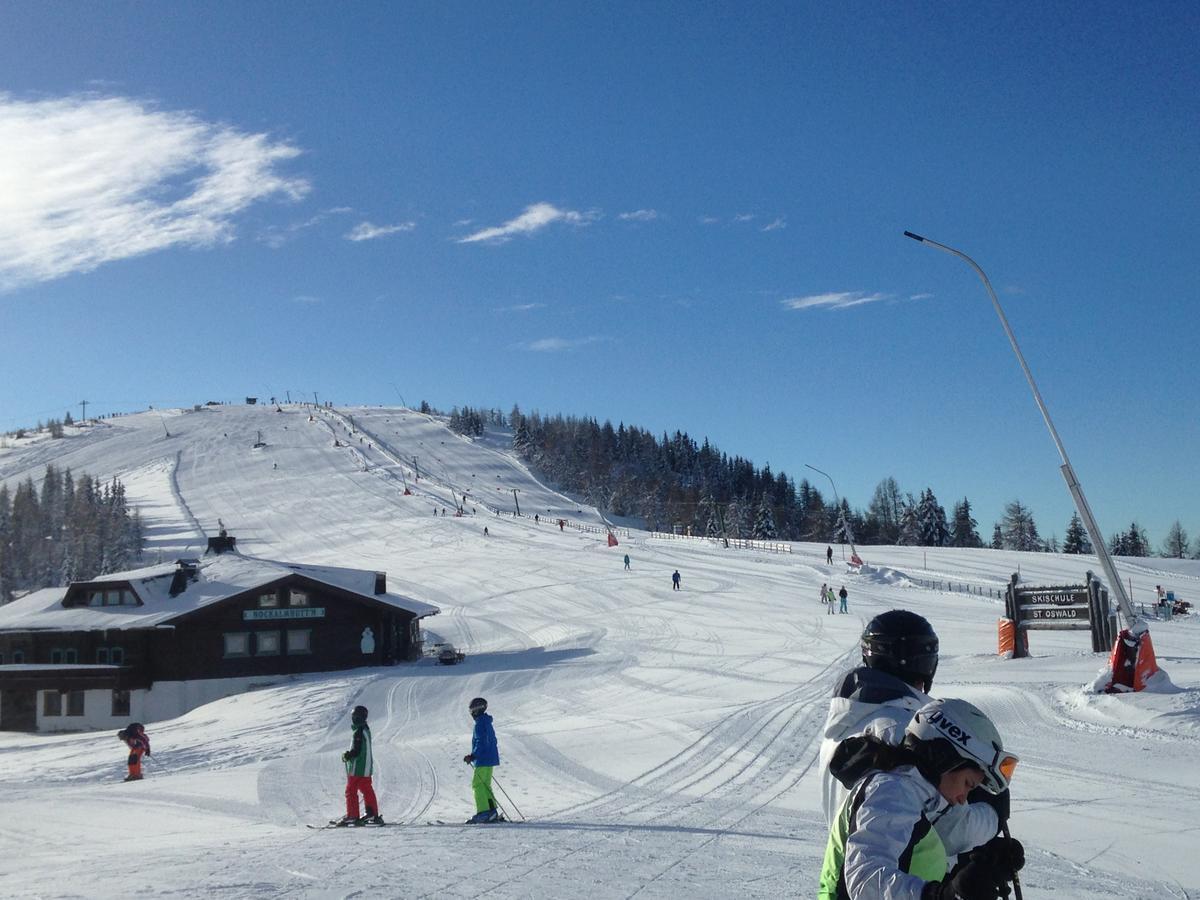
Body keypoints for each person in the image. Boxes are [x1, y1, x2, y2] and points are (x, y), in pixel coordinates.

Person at [819, 698, 1023, 899]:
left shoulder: (918, 800)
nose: (963, 799)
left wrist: (980, 863)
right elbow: (866, 880)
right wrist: (942, 895)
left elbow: (917, 860)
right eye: (968, 784)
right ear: (945, 758)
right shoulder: (891, 791)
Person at [335, 705, 383, 826]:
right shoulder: (366, 729)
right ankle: (372, 814)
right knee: (367, 789)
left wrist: (347, 755)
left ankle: (352, 816)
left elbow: (356, 750)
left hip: (358, 767)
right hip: (366, 767)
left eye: (354, 716)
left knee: (350, 790)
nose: (353, 718)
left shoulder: (359, 731)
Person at [464, 697, 501, 823]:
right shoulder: (487, 722)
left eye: (473, 710)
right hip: (489, 758)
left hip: (483, 759)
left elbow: (481, 742)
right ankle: (492, 811)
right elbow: (492, 741)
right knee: (485, 784)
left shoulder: (480, 724)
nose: (472, 714)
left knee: (478, 784)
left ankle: (483, 812)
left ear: (478, 710)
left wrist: (473, 756)